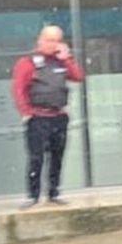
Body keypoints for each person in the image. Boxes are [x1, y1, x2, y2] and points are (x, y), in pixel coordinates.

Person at [10, 25, 85, 209]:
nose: (53, 44)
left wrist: (66, 58)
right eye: (50, 40)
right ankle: (33, 195)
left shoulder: (61, 62)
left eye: (57, 40)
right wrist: (26, 112)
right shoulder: (28, 62)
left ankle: (54, 192)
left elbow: (78, 77)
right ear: (40, 40)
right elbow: (19, 89)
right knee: (36, 157)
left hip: (58, 116)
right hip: (38, 117)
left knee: (57, 157)